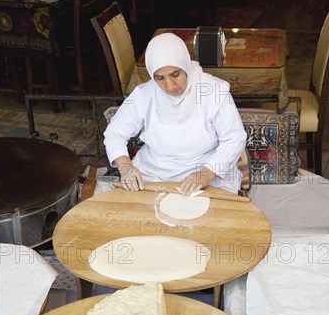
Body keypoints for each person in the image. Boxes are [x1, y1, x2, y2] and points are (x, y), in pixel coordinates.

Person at [104, 32, 247, 196]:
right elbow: (114, 133)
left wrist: (205, 174)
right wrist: (126, 168)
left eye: (175, 74)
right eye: (160, 78)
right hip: (153, 173)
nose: (170, 86)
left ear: (185, 65)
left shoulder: (214, 92)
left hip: (207, 170)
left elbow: (234, 138)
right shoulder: (143, 94)